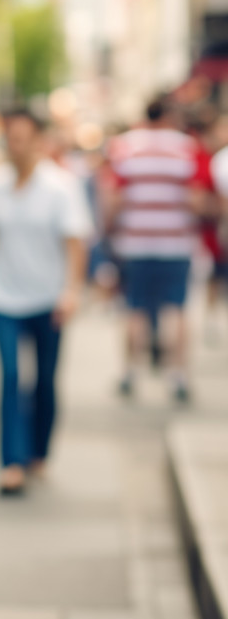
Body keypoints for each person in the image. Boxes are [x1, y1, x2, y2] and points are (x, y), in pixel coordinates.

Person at [0, 108, 91, 495]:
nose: (14, 145)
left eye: (22, 138)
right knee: (9, 376)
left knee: (44, 380)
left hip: (48, 298)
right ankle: (12, 464)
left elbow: (75, 243)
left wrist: (71, 291)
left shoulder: (61, 187)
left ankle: (38, 451)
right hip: (3, 296)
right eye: (10, 137)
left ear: (39, 142)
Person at [105, 98, 204, 402]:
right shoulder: (188, 148)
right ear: (170, 115)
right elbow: (198, 200)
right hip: (176, 243)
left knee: (135, 309)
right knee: (175, 309)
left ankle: (129, 374)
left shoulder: (125, 147)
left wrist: (109, 233)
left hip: (135, 243)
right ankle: (177, 377)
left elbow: (113, 200)